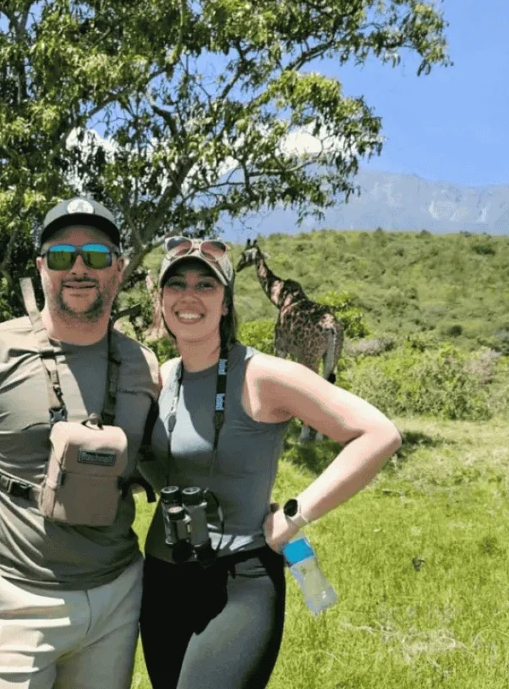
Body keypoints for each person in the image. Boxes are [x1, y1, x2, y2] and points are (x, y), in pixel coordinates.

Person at [0, 197, 160, 689]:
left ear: (119, 267)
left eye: (97, 255)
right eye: (63, 255)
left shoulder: (143, 364)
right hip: (12, 599)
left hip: (117, 594)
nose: (80, 268)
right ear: (42, 265)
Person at [137, 237, 402, 689]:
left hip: (240, 580)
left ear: (225, 303)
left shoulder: (262, 374)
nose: (189, 296)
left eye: (206, 285)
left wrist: (294, 516)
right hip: (162, 578)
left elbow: (378, 434)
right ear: (161, 300)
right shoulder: (162, 377)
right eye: (176, 284)